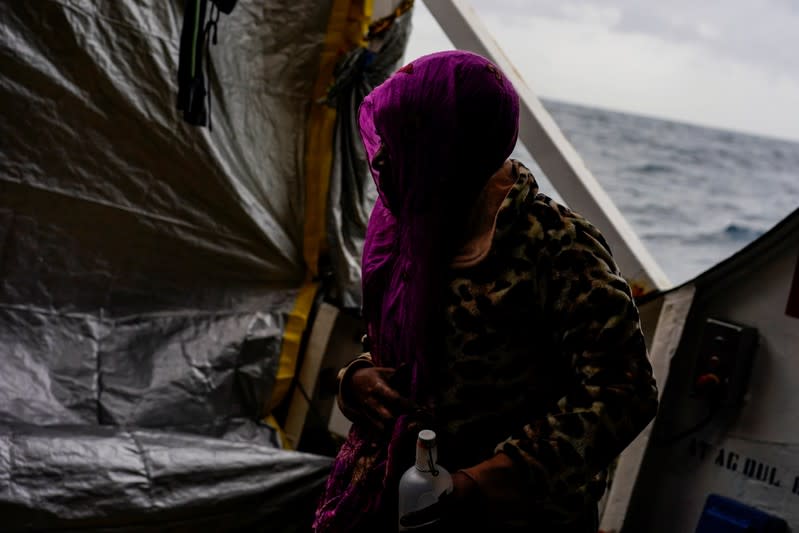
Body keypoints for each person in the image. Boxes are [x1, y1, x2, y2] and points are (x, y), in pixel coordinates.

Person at [313, 50, 658, 532]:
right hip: (394, 494)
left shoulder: (556, 246)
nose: (383, 156)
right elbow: (394, 345)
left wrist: (480, 482)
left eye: (404, 137)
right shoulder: (415, 224)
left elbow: (624, 389)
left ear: (451, 147)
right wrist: (356, 380)